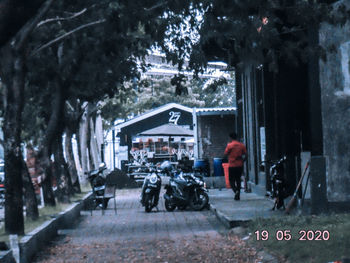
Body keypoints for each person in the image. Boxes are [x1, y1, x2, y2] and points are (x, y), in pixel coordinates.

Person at [224, 132, 247, 200]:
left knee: (231, 180)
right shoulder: (241, 145)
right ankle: (238, 194)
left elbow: (225, 154)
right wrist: (243, 161)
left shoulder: (229, 145)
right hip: (240, 165)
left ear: (230, 138)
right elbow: (246, 155)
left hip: (232, 165)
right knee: (238, 179)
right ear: (236, 137)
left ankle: (236, 191)